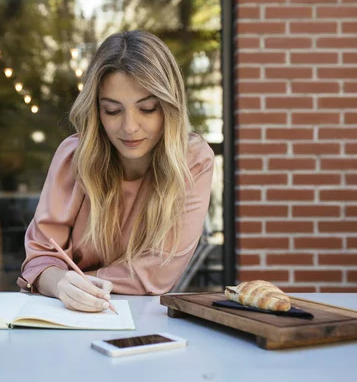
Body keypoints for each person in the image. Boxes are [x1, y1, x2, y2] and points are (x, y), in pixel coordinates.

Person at [17, 30, 214, 313]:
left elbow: (158, 274)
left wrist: (69, 281)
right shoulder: (73, 156)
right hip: (65, 315)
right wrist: (60, 284)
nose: (130, 127)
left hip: (144, 318)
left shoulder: (193, 161)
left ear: (170, 108)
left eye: (147, 109)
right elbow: (39, 258)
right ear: (96, 110)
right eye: (112, 110)